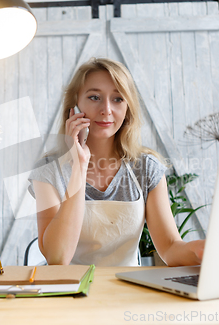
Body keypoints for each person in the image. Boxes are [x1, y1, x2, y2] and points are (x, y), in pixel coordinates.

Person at [28, 57, 204, 266]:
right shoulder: (48, 171)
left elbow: (170, 248)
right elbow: (57, 257)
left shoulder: (146, 168)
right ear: (74, 106)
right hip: (70, 292)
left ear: (128, 107)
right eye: (94, 97)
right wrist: (79, 166)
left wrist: (204, 249)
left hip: (128, 291)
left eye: (118, 99)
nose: (107, 110)